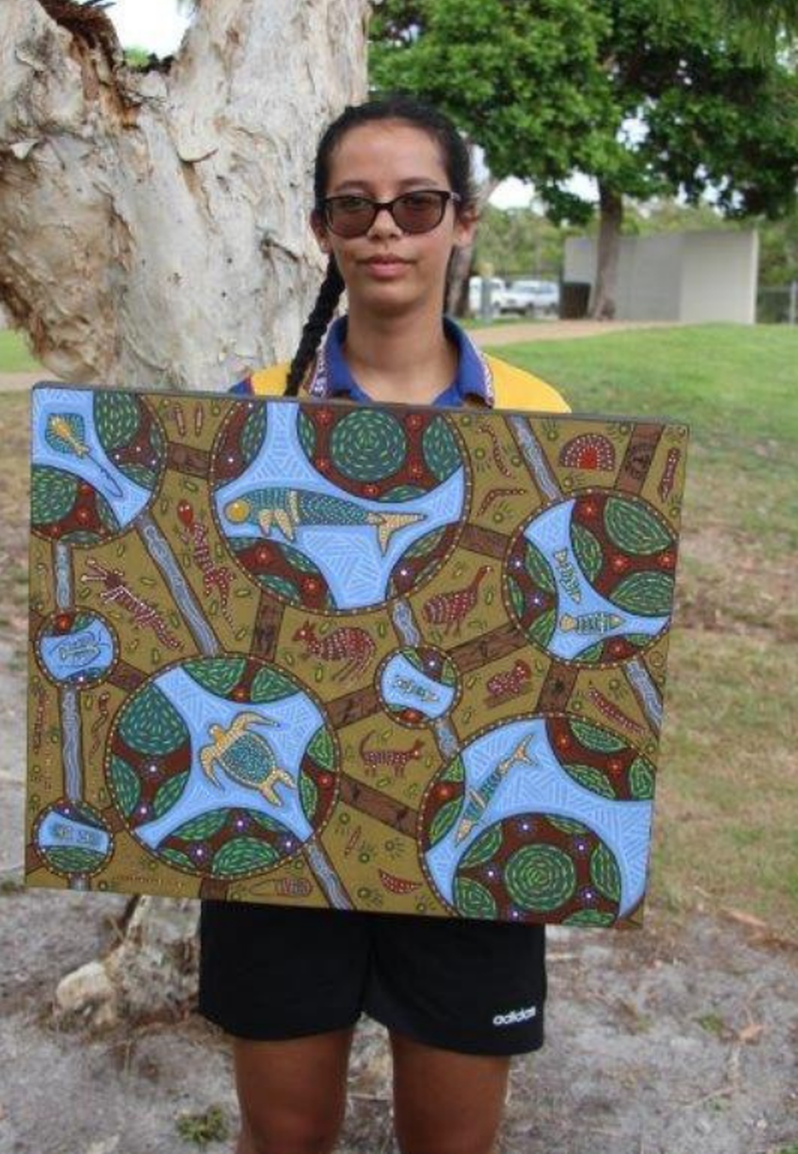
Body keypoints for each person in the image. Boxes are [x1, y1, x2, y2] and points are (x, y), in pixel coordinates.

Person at [197, 94, 570, 1154]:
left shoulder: (542, 422)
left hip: (470, 848)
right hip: (280, 845)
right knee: (284, 1141)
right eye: (353, 208)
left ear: (463, 220)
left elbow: (573, 658)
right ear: (321, 231)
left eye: (416, 203)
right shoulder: (255, 410)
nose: (385, 230)